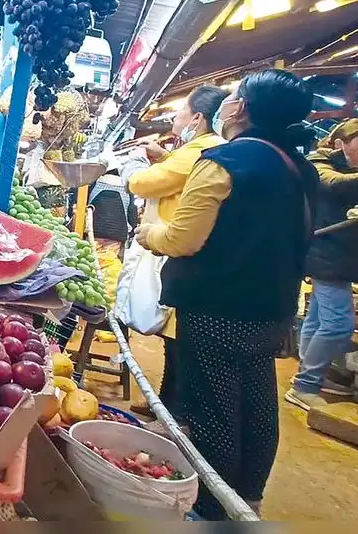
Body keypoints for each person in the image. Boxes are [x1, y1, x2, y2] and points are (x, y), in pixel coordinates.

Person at [134, 69, 318, 520]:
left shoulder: (222, 162)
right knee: (256, 404)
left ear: (240, 109)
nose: (227, 101)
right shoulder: (300, 168)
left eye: (233, 96)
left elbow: (183, 240)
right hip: (272, 310)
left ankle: (212, 511)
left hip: (217, 308)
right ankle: (249, 497)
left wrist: (147, 232)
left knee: (212, 409)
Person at [121, 85, 229, 421]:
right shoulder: (198, 149)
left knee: (178, 336)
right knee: (173, 338)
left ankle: (176, 412)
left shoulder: (204, 148)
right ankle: (165, 404)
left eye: (181, 110)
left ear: (197, 117)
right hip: (179, 247)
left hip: (175, 248)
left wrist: (137, 164)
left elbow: (145, 183)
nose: (175, 116)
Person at [287, 118, 358, 409]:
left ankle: (311, 372)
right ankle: (305, 384)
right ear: (340, 143)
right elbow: (336, 186)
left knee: (316, 318)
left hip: (337, 255)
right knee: (339, 324)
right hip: (326, 255)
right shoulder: (320, 163)